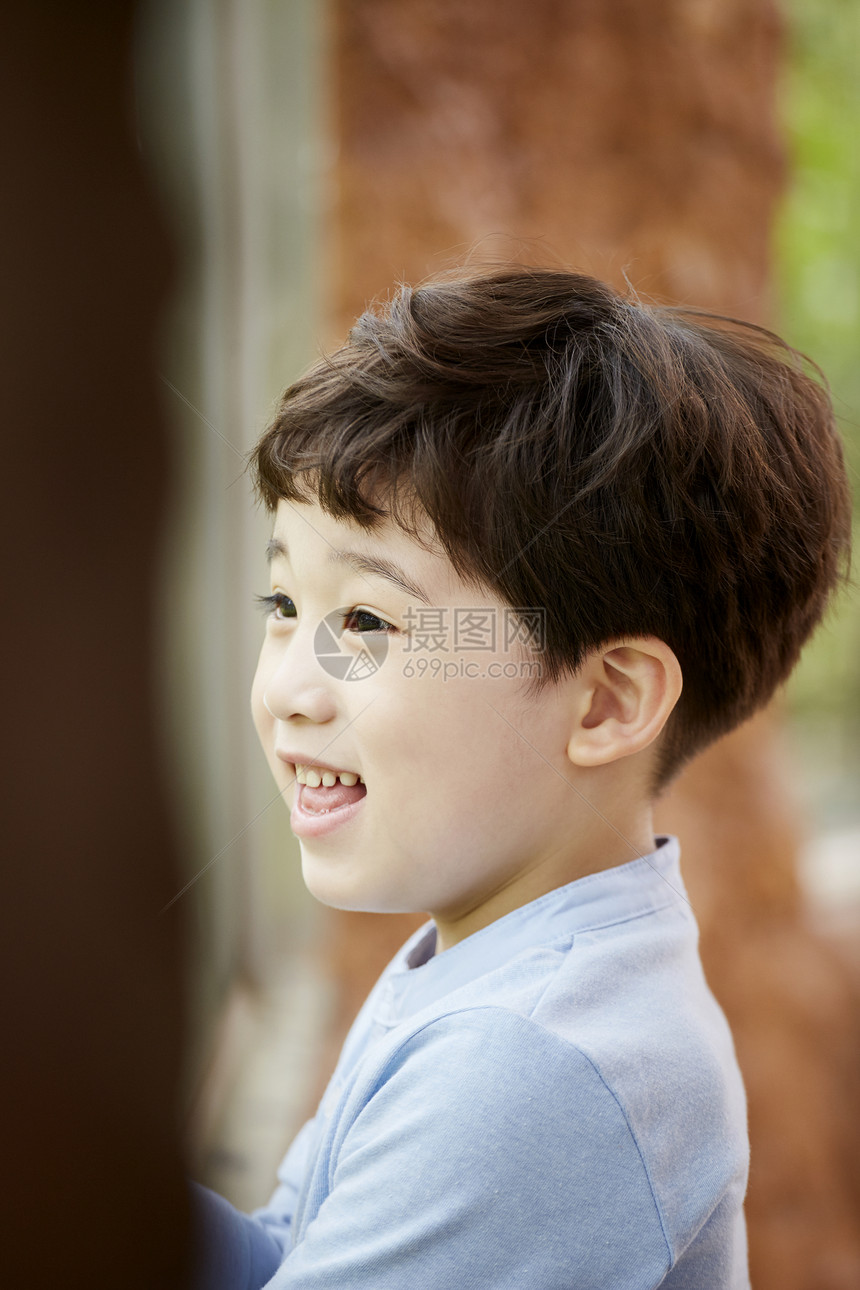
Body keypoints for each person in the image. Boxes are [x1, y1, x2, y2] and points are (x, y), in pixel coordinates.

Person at [191, 266, 851, 1289]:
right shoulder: (497, 958)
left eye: (364, 622)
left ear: (605, 702)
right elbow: (296, 1254)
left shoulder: (534, 1061)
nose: (289, 689)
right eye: (281, 604)